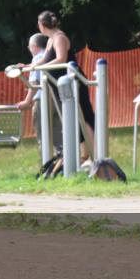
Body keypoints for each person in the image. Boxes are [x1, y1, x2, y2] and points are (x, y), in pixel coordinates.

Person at [34, 10, 96, 168]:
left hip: (73, 82)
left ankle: (94, 155)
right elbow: (43, 60)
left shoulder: (59, 38)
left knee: (83, 117)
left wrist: (40, 68)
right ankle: (84, 156)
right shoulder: (50, 40)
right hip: (61, 85)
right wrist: (27, 66)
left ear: (42, 25)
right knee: (74, 119)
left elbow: (61, 59)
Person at [15, 33, 60, 152]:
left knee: (42, 133)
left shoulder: (37, 58)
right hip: (58, 98)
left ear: (34, 46)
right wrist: (26, 66)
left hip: (42, 99)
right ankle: (61, 159)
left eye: (29, 47)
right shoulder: (51, 55)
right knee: (58, 134)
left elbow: (35, 82)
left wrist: (27, 101)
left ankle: (46, 161)